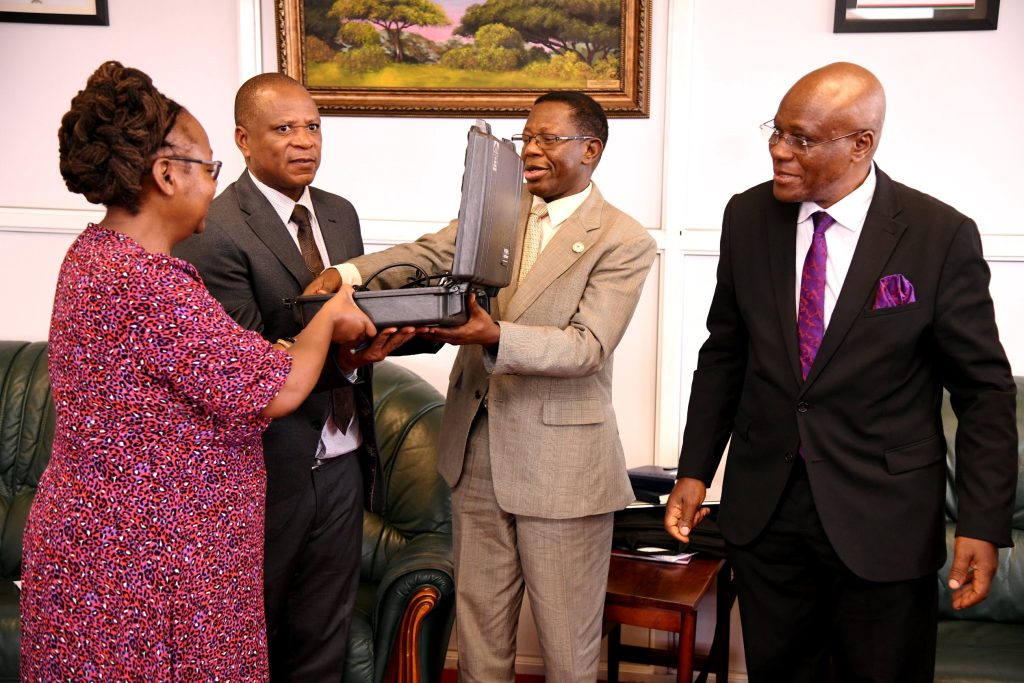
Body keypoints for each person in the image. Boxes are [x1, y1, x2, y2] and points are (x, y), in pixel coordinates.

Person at [21, 61, 375, 681]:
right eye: (209, 168)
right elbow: (278, 387)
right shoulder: (149, 283)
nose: (215, 183)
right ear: (165, 174)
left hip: (118, 541)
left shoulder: (92, 255)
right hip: (150, 559)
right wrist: (330, 317)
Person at [664, 62, 1018, 682]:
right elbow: (725, 352)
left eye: (800, 138)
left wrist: (983, 523)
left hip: (884, 517)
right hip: (767, 512)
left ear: (861, 144)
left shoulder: (938, 236)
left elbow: (984, 393)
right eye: (777, 131)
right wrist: (696, 469)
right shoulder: (747, 218)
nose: (778, 150)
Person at [310, 91, 657, 682]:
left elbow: (587, 347)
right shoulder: (501, 207)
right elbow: (427, 251)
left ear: (591, 150)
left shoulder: (623, 240)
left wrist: (493, 332)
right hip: (475, 458)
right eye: (527, 138)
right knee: (479, 639)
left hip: (564, 473)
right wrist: (348, 272)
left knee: (567, 649)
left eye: (549, 139)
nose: (533, 151)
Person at [172, 72, 411, 681]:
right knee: (259, 632)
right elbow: (247, 359)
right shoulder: (216, 228)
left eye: (313, 127)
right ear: (243, 140)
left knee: (324, 631)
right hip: (269, 465)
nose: (305, 141)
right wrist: (344, 350)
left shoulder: (338, 213)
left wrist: (379, 339)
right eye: (284, 129)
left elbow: (351, 317)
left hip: (345, 452)